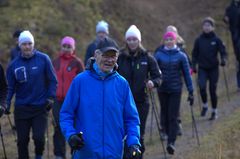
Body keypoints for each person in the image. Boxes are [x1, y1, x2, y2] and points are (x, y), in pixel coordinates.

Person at [60, 37, 141, 159]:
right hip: (85, 153)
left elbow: (132, 119)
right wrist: (71, 135)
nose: (109, 60)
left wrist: (133, 143)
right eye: (106, 55)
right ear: (96, 55)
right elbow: (66, 114)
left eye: (113, 56)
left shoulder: (122, 84)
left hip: (113, 153)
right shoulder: (80, 81)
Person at [5, 30, 57, 159]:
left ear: (33, 44)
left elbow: (52, 80)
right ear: (20, 46)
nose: (27, 46)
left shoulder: (43, 59)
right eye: (24, 44)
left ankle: (38, 156)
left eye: (29, 43)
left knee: (39, 138)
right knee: (22, 141)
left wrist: (50, 97)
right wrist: (5, 103)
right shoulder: (13, 65)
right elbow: (9, 88)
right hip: (21, 108)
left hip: (40, 107)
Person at [117, 25, 162, 158]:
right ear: (126, 41)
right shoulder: (120, 57)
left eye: (134, 39)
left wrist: (153, 83)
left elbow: (158, 76)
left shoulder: (147, 57)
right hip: (122, 102)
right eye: (129, 39)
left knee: (138, 133)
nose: (132, 42)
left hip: (141, 102)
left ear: (139, 41)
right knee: (123, 132)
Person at [154, 31, 194, 155]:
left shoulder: (181, 56)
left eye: (171, 39)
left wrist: (191, 90)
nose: (169, 41)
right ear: (164, 41)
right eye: (167, 39)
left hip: (176, 90)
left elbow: (187, 74)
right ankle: (165, 132)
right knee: (164, 115)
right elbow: (153, 71)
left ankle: (171, 143)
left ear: (175, 41)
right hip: (162, 89)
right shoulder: (159, 55)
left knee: (173, 116)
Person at [52, 36, 85, 159]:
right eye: (64, 46)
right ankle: (59, 155)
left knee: (74, 127)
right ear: (61, 47)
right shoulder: (54, 62)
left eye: (69, 46)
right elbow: (50, 80)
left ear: (73, 48)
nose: (66, 49)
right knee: (58, 127)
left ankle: (75, 153)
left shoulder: (77, 63)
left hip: (73, 102)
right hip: (58, 101)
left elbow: (83, 83)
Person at [192, 17, 227, 120]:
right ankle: (205, 105)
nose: (206, 27)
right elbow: (194, 54)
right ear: (202, 27)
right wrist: (193, 66)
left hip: (213, 68)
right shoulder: (198, 40)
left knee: (212, 89)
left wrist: (223, 59)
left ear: (213, 27)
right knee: (202, 87)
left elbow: (223, 52)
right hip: (202, 68)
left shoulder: (217, 40)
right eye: (205, 25)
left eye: (209, 25)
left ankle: (214, 111)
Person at [224, 0, 240, 90]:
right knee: (238, 59)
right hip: (236, 36)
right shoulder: (230, 8)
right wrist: (226, 19)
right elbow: (226, 19)